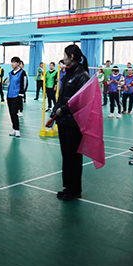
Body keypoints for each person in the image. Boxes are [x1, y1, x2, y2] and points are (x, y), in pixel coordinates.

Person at [52, 44, 90, 201]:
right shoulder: (67, 73)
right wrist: (55, 111)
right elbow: (61, 96)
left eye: (65, 55)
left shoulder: (82, 76)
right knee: (66, 156)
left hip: (74, 123)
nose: (63, 58)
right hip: (63, 121)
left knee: (74, 157)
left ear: (72, 57)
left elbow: (80, 101)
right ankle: (68, 187)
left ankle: (75, 190)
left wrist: (63, 109)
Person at [7, 56, 27, 137]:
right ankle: (14, 129)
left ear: (18, 64)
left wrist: (21, 93)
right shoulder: (10, 73)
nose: (12, 64)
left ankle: (17, 129)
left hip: (17, 95)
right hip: (9, 95)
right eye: (12, 62)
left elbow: (25, 83)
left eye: (14, 62)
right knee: (11, 113)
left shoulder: (22, 72)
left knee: (14, 112)